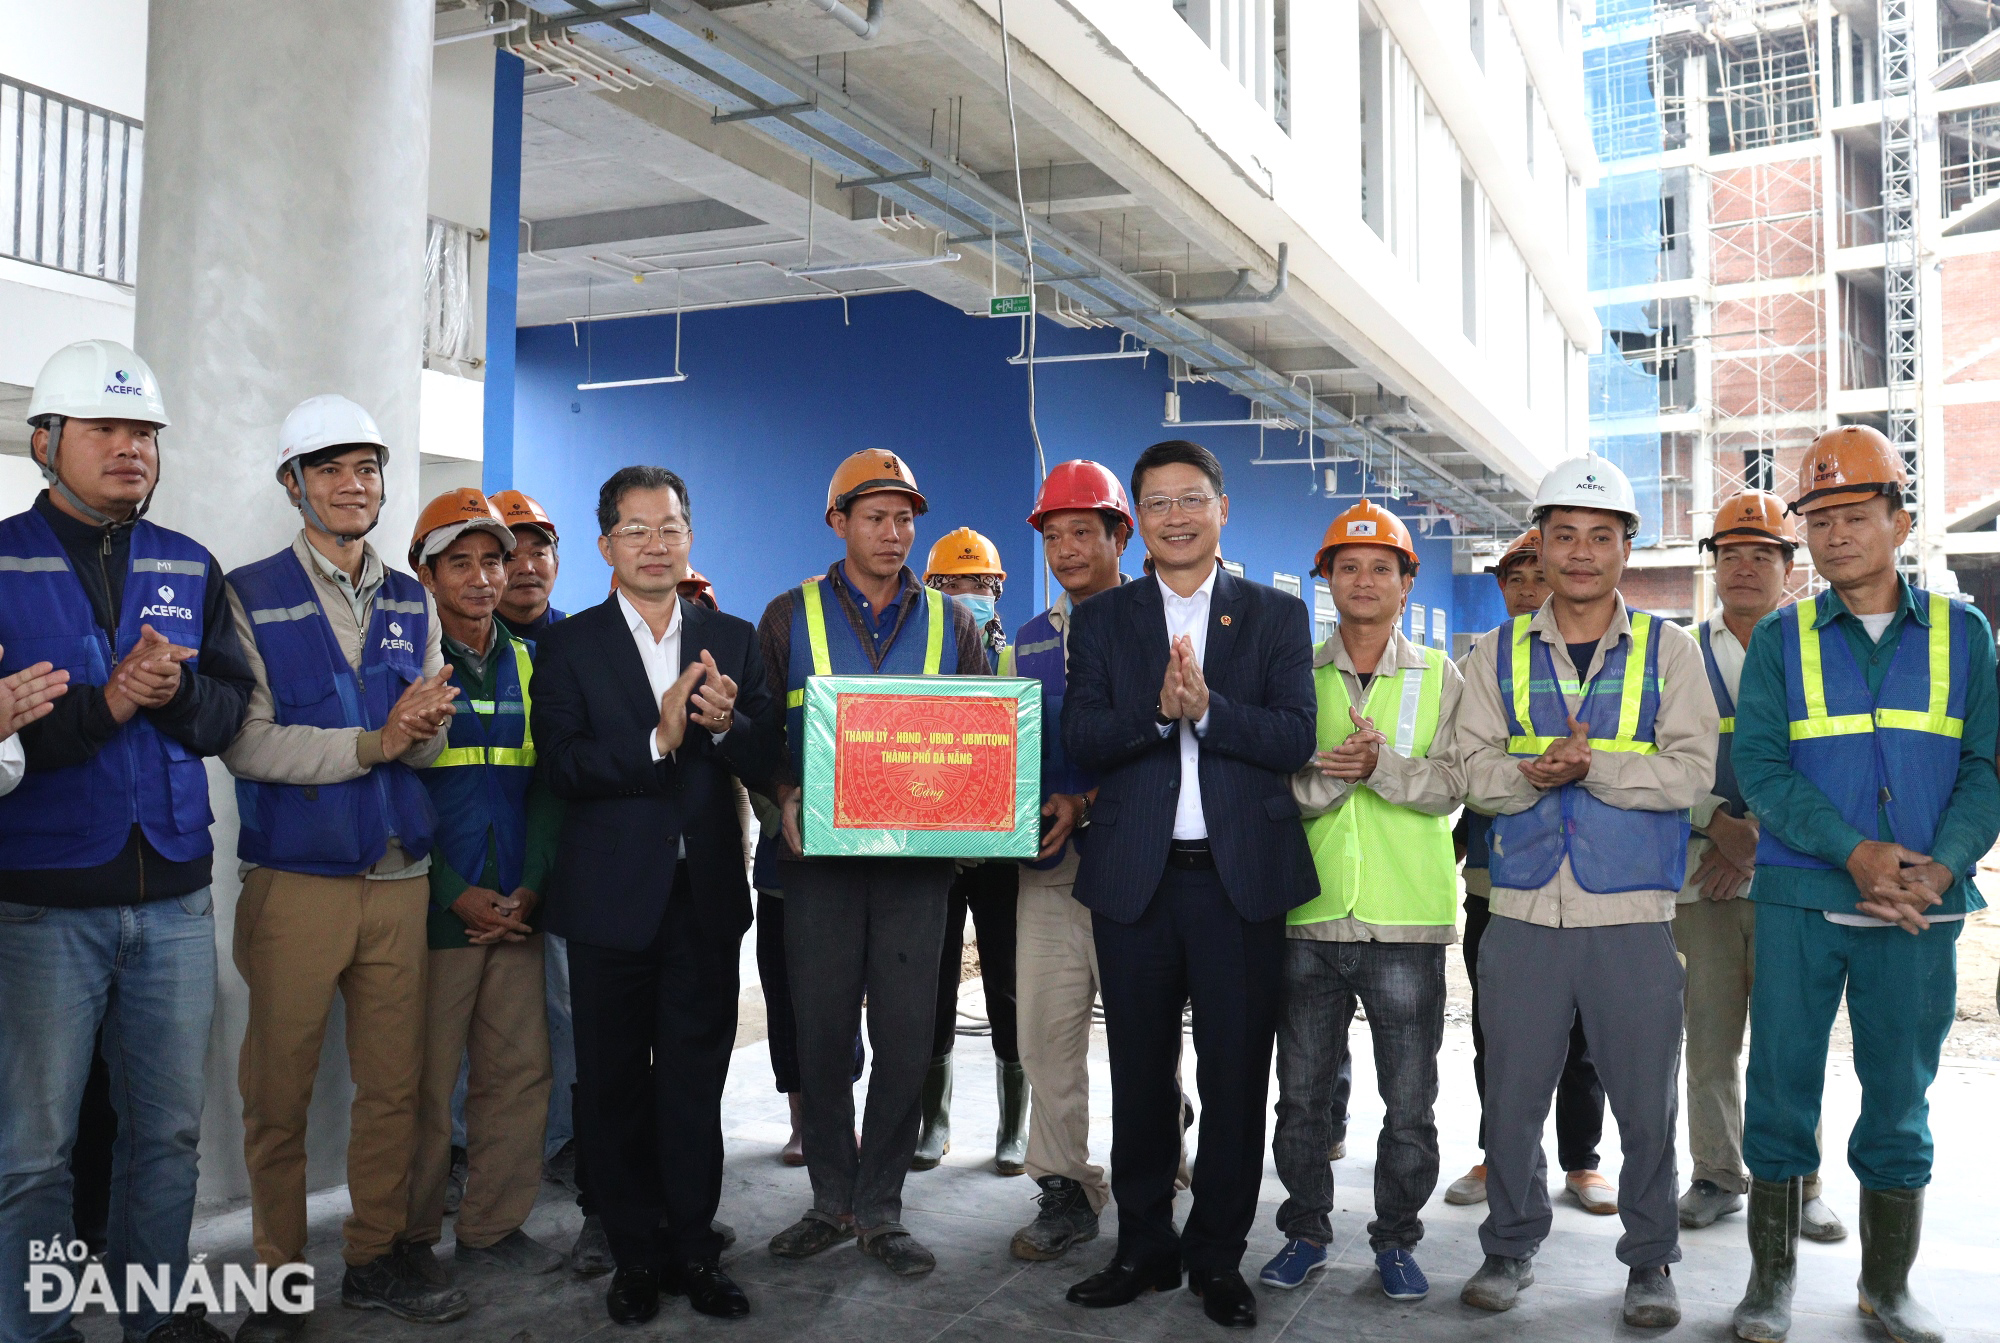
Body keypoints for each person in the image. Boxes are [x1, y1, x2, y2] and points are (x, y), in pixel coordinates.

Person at [0, 339, 250, 1343]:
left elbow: (229, 710)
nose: (131, 448)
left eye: (144, 430)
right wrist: (108, 705)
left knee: (169, 1132)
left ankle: (151, 1313)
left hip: (174, 899)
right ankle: (34, 1321)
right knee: (33, 1147)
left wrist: (176, 689)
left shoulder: (189, 563)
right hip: (42, 904)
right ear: (46, 441)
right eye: (105, 428)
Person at [1730, 427, 1998, 1343]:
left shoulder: (1965, 634)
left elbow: (1984, 766)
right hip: (1804, 899)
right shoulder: (1780, 638)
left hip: (1921, 910)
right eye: (1820, 517)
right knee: (1779, 1086)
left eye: (1854, 514)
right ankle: (1770, 1284)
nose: (1835, 533)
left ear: (1901, 519)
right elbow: (1762, 770)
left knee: (1899, 1096)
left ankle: (1889, 1285)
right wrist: (1854, 851)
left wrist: (1943, 863)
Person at [222, 394, 467, 1339]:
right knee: (277, 1093)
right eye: (330, 468)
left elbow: (425, 746)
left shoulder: (412, 595)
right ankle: (279, 1280)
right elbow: (247, 744)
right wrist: (377, 740)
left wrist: (419, 736)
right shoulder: (249, 592)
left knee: (395, 1088)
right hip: (298, 882)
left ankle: (372, 1258)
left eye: (367, 467)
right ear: (294, 484)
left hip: (400, 878)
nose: (353, 483)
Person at [1454, 453, 1715, 1329]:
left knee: (1646, 1102)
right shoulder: (1495, 651)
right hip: (1523, 908)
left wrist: (1592, 763)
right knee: (1512, 1098)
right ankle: (1510, 1244)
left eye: (1600, 536)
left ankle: (1650, 1262)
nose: (1579, 553)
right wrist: (1532, 772)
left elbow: (1688, 773)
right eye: (1562, 535)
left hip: (1632, 916)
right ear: (1541, 543)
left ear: (1627, 548)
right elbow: (1473, 770)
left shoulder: (1669, 651)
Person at [1061, 440, 1316, 1330]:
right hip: (1136, 881)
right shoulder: (1100, 621)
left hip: (1238, 885)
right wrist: (1153, 715)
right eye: (1157, 502)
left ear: (1222, 508)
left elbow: (1292, 737)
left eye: (1190, 499)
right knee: (1138, 1074)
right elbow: (1087, 737)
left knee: (1238, 1074)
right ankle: (1142, 1246)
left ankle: (1217, 1255)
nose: (1175, 516)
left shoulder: (1277, 618)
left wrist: (1208, 710)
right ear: (1140, 517)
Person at [530, 465, 775, 1325]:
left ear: (689, 536)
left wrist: (723, 726)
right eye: (636, 529)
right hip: (608, 902)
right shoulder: (568, 646)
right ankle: (632, 1251)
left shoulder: (734, 638)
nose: (655, 543)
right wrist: (659, 738)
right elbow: (561, 764)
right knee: (610, 1086)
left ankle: (692, 1245)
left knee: (693, 1083)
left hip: (702, 900)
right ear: (606, 546)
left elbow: (767, 753)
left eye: (670, 526)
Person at [755, 449, 988, 1279]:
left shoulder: (955, 625)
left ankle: (881, 1206)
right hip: (814, 866)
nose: (895, 533)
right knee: (819, 1041)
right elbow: (753, 732)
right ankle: (829, 1198)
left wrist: (976, 819)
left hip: (914, 873)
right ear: (839, 523)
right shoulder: (789, 616)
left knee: (902, 1040)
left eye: (905, 518)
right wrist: (777, 792)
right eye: (876, 517)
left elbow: (985, 742)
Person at [1260, 500, 1464, 1303]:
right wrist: (1325, 776)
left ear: (1408, 583)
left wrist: (1379, 770)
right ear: (1327, 581)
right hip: (1308, 914)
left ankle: (1397, 1238)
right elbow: (1274, 789)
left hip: (1405, 918)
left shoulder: (1442, 675)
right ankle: (1306, 1228)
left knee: (1409, 1101)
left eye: (1383, 566)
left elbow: (1456, 784)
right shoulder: (1296, 679)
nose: (1365, 579)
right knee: (1302, 1097)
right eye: (1349, 566)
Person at [401, 490, 566, 1282]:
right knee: (423, 1086)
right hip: (439, 913)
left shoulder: (534, 662)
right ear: (425, 573)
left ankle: (493, 1225)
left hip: (514, 911)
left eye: (493, 560)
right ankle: (407, 1240)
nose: (481, 577)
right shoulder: (407, 662)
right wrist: (451, 889)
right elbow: (395, 790)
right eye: (459, 562)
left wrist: (529, 888)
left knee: (517, 1073)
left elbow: (545, 789)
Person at [1674, 493, 1844, 1245]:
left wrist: (1757, 837)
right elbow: (1653, 751)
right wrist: (1715, 823)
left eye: (1762, 553)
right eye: (1730, 553)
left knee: (1791, 1035)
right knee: (1710, 1035)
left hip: (1792, 876)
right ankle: (1716, 1171)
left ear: (1789, 564)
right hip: (1700, 875)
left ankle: (1798, 1179)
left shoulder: (1820, 648)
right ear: (1712, 564)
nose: (1743, 567)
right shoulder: (1679, 651)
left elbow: (1832, 759)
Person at [1447, 528, 1614, 1217]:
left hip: (1589, 878)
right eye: (1511, 579)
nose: (1524, 590)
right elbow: (1463, 769)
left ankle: (1581, 1161)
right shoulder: (1485, 665)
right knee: (1500, 1033)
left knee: (1583, 1034)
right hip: (1498, 880)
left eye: (1534, 577)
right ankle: (1499, 1153)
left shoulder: (1597, 670)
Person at [1003, 461, 1133, 1261]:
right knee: (1045, 1030)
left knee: (1144, 1035)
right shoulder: (1028, 640)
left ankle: (1157, 1147)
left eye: (1083, 530)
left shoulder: (1158, 627)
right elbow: (1013, 752)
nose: (1067, 548)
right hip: (1047, 871)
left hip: (1139, 867)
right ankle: (1064, 1185)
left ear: (1120, 535)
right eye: (1053, 536)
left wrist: (1086, 802)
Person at [913, 527, 1026, 1176]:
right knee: (933, 981)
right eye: (954, 584)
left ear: (998, 591)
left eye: (980, 584)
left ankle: (1014, 1124)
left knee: (1009, 987)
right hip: (937, 847)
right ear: (933, 589)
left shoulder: (1018, 660)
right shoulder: (923, 660)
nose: (968, 595)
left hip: (1003, 852)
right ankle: (936, 1120)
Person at [492, 489, 567, 639]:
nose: (526, 568)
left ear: (556, 566)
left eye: (538, 554)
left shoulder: (583, 634)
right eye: (509, 557)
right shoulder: (465, 643)